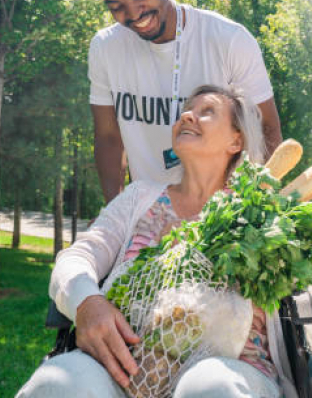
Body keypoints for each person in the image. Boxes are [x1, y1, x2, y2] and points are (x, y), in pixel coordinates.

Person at [17, 86, 296, 398]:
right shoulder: (139, 197)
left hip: (230, 364)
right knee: (59, 384)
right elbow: (77, 257)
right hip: (123, 364)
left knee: (211, 387)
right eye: (186, 111)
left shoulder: (259, 213)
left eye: (207, 111)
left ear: (236, 140)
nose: (187, 115)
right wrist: (86, 302)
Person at [88, 0, 282, 203]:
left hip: (218, 217)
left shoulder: (229, 40)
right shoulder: (105, 48)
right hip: (146, 214)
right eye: (117, 8)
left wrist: (253, 211)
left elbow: (267, 129)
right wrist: (115, 209)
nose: (134, 14)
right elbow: (108, 137)